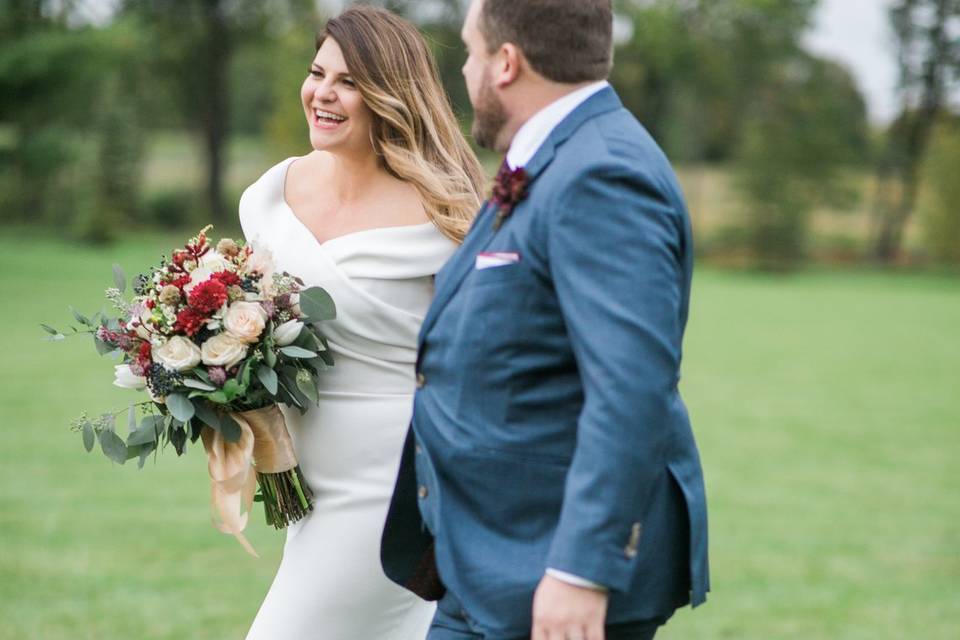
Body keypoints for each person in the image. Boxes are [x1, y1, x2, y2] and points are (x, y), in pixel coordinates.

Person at [381, 1, 709, 638]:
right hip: (488, 564)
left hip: (550, 578)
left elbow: (631, 390)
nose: (467, 71)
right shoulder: (552, 157)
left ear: (507, 63)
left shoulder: (603, 174)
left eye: (472, 52)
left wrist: (581, 571)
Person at [238, 6, 485, 639]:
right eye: (318, 73)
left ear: (388, 96)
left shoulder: (446, 218)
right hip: (305, 483)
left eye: (347, 82)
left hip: (395, 484)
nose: (322, 93)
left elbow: (481, 360)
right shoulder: (270, 198)